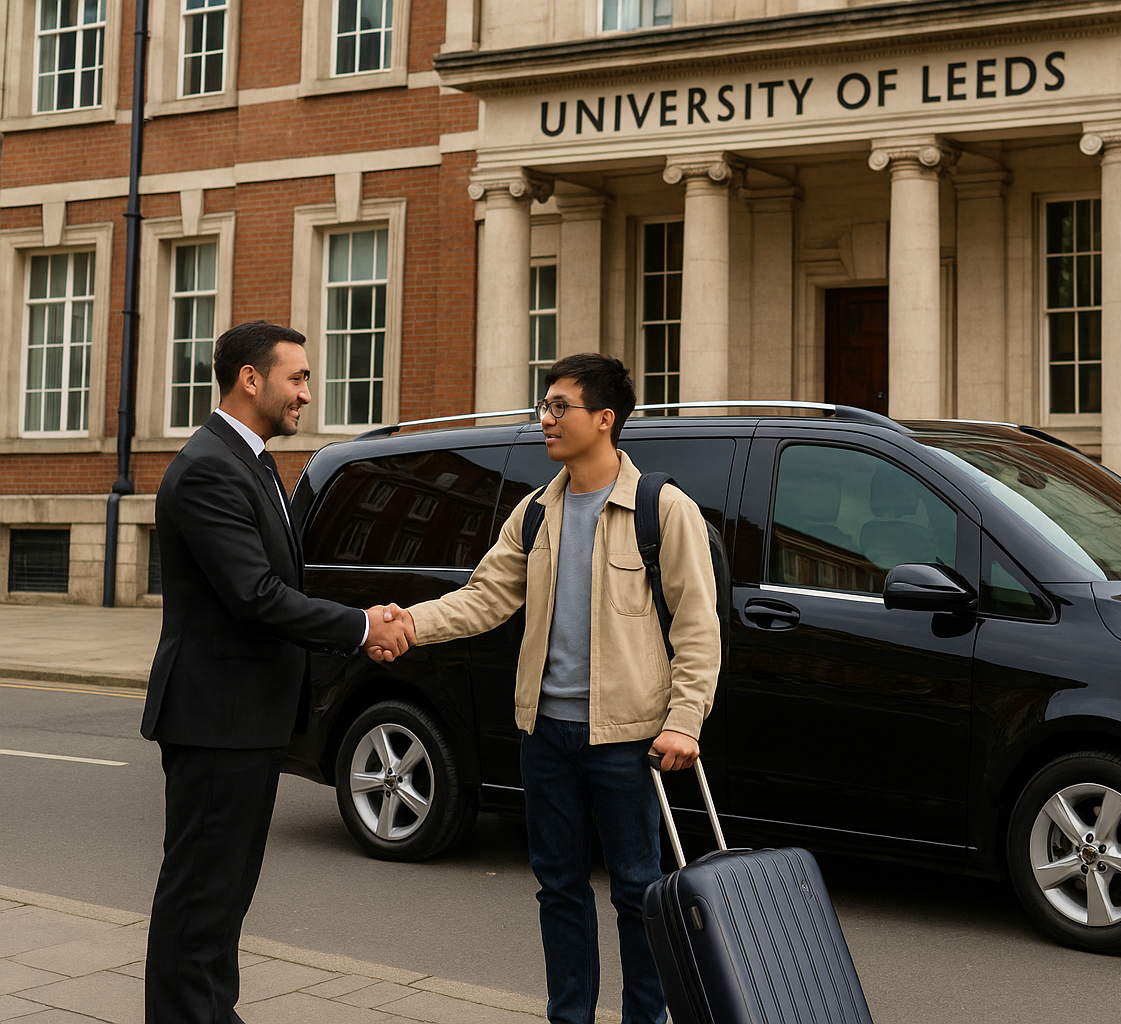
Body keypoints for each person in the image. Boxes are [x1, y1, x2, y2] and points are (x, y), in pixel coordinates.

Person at [372, 353, 719, 1024]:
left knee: (637, 892)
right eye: (545, 405)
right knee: (558, 889)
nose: (546, 419)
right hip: (546, 736)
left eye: (561, 407)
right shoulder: (536, 513)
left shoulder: (662, 509)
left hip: (627, 740)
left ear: (604, 419)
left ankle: (645, 1019)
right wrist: (407, 621)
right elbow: (484, 599)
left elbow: (699, 627)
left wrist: (685, 720)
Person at [141, 320, 412, 1024]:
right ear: (250, 379)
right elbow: (255, 595)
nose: (306, 394)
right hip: (215, 721)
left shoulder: (253, 461)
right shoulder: (208, 467)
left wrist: (361, 620)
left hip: (246, 720)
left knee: (223, 898)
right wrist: (360, 628)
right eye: (296, 378)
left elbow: (277, 586)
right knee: (201, 898)